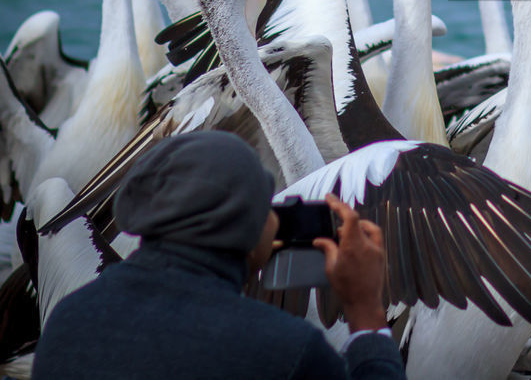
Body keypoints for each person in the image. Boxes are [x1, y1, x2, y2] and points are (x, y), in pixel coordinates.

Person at [34, 132, 406, 380]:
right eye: (265, 205)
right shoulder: (287, 350)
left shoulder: (68, 321)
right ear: (243, 224)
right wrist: (366, 315)